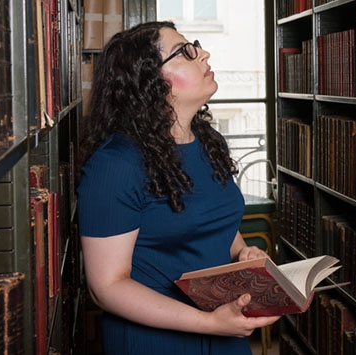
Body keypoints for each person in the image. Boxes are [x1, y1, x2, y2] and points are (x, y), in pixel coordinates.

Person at [76, 21, 279, 354]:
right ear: (150, 82)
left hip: (224, 331)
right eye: (184, 52)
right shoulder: (115, 165)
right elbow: (106, 287)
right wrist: (209, 323)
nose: (203, 54)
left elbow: (219, 229)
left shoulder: (210, 143)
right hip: (159, 340)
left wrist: (243, 256)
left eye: (193, 45)